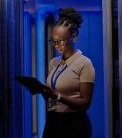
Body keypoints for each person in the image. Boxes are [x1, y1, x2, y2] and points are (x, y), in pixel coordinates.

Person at [41, 8, 95, 138]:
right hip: (53, 121)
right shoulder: (53, 63)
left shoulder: (85, 63)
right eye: (53, 41)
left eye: (61, 41)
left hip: (74, 124)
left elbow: (85, 103)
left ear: (74, 35)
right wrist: (44, 92)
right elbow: (51, 97)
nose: (56, 45)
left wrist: (57, 96)